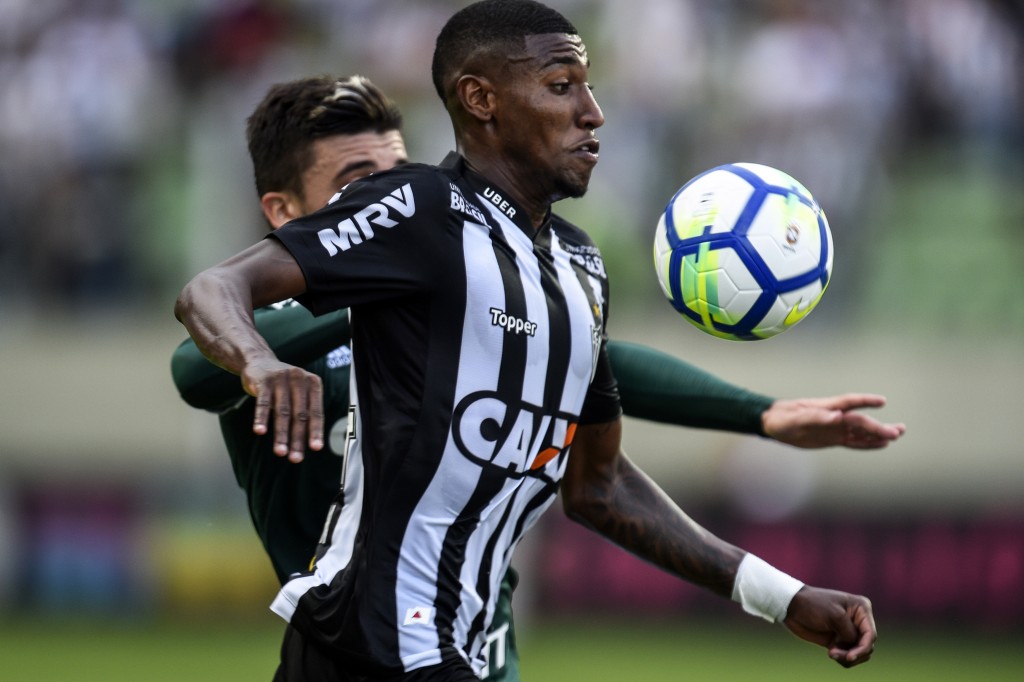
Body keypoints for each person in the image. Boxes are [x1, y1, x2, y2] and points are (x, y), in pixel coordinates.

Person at [175, 2, 902, 678]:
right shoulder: (423, 210)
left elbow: (600, 487)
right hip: (373, 643)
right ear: (480, 99)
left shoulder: (579, 266)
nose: (593, 112)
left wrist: (781, 595)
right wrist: (260, 363)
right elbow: (212, 290)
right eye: (561, 86)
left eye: (588, 87)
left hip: (459, 646)